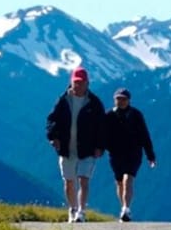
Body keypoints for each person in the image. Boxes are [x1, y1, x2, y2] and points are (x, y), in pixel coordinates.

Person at [46, 66, 105, 222]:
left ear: (87, 83)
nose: (78, 85)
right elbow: (52, 120)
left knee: (84, 180)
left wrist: (100, 146)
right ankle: (72, 209)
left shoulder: (94, 103)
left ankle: (82, 211)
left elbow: (101, 126)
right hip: (66, 148)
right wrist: (53, 137)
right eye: (75, 82)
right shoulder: (63, 100)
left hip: (87, 149)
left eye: (81, 83)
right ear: (71, 82)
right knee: (69, 181)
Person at [105, 88, 156, 222]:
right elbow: (102, 134)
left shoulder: (136, 115)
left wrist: (150, 155)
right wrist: (100, 148)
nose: (121, 101)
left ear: (129, 100)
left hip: (133, 153)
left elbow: (145, 135)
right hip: (115, 153)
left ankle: (126, 208)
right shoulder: (109, 115)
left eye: (123, 99)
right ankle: (123, 206)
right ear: (114, 100)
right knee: (119, 182)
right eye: (118, 99)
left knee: (128, 178)